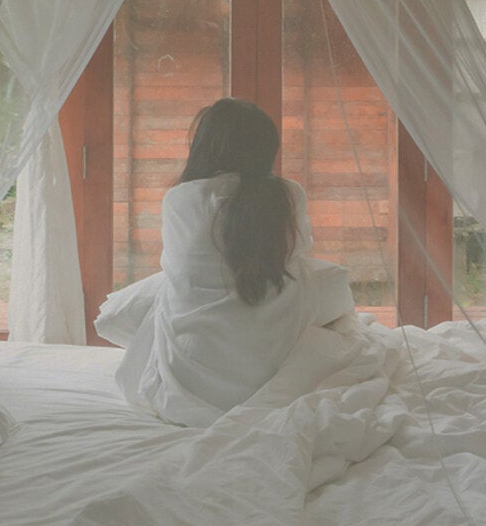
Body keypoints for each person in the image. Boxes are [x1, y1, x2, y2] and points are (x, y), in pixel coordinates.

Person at [113, 98, 356, 427]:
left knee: (165, 288)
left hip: (189, 384)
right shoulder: (287, 193)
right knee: (326, 280)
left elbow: (182, 266)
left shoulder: (180, 198)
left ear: (206, 146)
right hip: (269, 360)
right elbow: (301, 249)